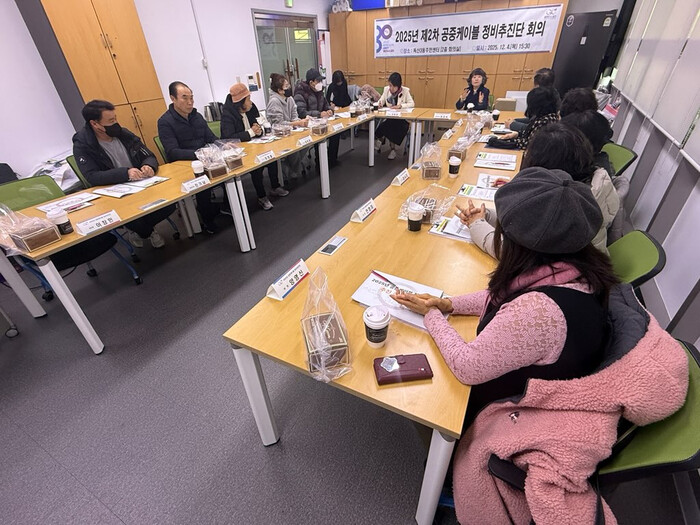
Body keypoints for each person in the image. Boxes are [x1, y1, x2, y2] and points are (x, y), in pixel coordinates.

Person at [394, 167, 688, 524]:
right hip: (551, 377)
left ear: (517, 244)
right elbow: (502, 298)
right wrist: (449, 304)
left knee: (425, 397)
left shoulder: (539, 313)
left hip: (513, 406)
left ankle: (447, 478)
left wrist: (431, 316)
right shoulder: (575, 268)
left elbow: (468, 366)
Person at [466, 122, 619, 256]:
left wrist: (476, 224)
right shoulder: (590, 185)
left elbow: (515, 256)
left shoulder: (561, 204)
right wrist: (487, 215)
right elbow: (523, 224)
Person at [73, 99, 176, 248]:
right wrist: (125, 173)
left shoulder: (124, 134)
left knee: (170, 203)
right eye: (110, 121)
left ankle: (142, 231)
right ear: (95, 124)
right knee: (137, 221)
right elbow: (92, 176)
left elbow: (148, 155)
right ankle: (147, 231)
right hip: (114, 195)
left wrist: (148, 165)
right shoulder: (83, 145)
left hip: (141, 186)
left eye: (115, 118)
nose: (115, 123)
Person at [157, 81, 222, 233]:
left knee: (227, 169)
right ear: (173, 98)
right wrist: (200, 154)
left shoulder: (197, 116)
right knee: (202, 182)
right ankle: (206, 220)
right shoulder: (165, 122)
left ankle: (225, 206)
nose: (190, 101)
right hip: (184, 165)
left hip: (205, 159)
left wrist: (222, 145)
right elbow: (172, 152)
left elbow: (211, 138)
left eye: (191, 97)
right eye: (184, 98)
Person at [220, 83, 288, 211]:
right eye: (248, 99)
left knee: (272, 158)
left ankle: (275, 186)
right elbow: (229, 137)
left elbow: (258, 125)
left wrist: (258, 130)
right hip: (238, 152)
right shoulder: (228, 116)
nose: (250, 102)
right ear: (240, 102)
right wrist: (251, 132)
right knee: (256, 167)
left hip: (254, 146)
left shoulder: (251, 109)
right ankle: (262, 196)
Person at [267, 73, 309, 184]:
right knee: (294, 149)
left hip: (291, 131)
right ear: (279, 90)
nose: (289, 87)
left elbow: (294, 116)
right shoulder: (274, 102)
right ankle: (290, 172)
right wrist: (298, 123)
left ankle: (292, 170)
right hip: (279, 135)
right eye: (286, 86)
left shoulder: (290, 99)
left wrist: (301, 122)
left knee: (307, 141)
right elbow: (278, 124)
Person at [294, 68, 340, 167]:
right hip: (307, 124)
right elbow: (301, 113)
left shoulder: (319, 91)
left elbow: (326, 105)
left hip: (320, 122)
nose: (320, 83)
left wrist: (329, 110)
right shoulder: (300, 93)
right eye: (318, 81)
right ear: (311, 82)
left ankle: (332, 160)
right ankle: (320, 164)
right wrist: (319, 114)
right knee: (319, 137)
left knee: (336, 133)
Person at [488, 86, 559, 150]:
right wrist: (518, 134)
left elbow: (529, 144)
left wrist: (501, 142)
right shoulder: (548, 116)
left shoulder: (545, 121)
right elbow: (531, 132)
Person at [376, 72, 415, 160]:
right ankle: (392, 149)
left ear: (399, 86)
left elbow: (412, 103)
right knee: (390, 123)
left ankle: (381, 139)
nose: (391, 88)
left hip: (401, 120)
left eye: (393, 86)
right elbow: (381, 100)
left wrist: (400, 106)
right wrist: (380, 104)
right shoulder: (386, 90)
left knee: (391, 125)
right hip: (390, 118)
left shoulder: (405, 91)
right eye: (390, 85)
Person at [507, 67, 560, 132]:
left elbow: (535, 128)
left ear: (537, 84)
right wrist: (515, 121)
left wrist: (513, 124)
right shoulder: (553, 94)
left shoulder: (539, 97)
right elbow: (533, 120)